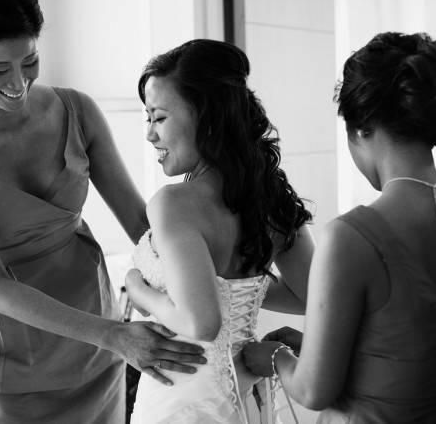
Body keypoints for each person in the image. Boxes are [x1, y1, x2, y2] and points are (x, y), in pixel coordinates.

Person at [0, 0, 205, 424]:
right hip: (16, 360)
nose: (18, 83)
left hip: (98, 340)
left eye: (29, 61)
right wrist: (113, 335)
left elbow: (140, 224)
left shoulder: (77, 110)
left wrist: (213, 283)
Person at [243, 32, 436, 423]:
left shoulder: (350, 236)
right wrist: (316, 348)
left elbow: (313, 391)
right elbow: (411, 346)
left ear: (361, 128)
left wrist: (276, 356)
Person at [124, 39, 315, 423]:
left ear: (207, 117)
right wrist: (234, 289)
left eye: (159, 118)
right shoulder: (269, 195)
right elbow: (310, 295)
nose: (149, 134)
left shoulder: (172, 204)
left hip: (182, 402)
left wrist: (138, 289)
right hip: (247, 393)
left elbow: (201, 323)